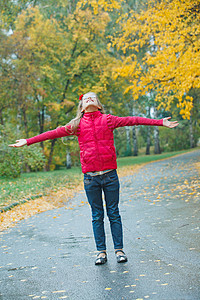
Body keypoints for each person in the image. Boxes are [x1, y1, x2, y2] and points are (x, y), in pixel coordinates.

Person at [9, 92, 179, 265]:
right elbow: (53, 133)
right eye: (86, 98)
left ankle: (119, 250)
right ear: (82, 107)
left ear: (98, 105)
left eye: (93, 97)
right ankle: (101, 252)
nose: (89, 99)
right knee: (97, 215)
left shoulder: (108, 120)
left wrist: (160, 122)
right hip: (91, 180)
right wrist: (28, 141)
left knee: (113, 213)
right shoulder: (77, 125)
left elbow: (133, 120)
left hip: (110, 176)